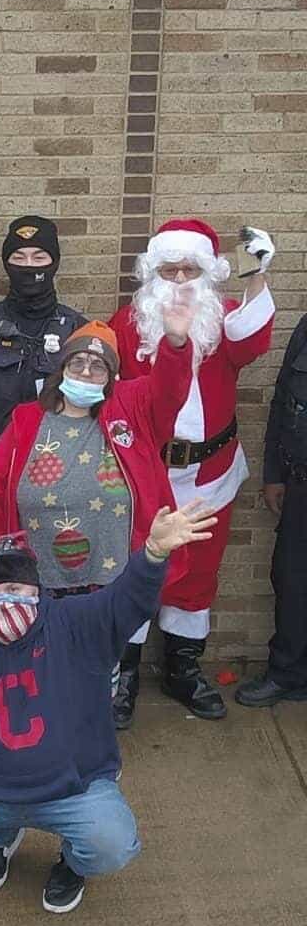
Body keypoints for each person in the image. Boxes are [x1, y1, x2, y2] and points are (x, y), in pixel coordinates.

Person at [0, 505, 217, 914]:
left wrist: (154, 552)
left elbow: (125, 601)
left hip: (75, 786)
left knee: (113, 845)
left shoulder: (77, 624)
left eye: (16, 591)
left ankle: (72, 862)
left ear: (37, 591)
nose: (5, 602)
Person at [0, 316, 194, 729]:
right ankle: (45, 736)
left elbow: (169, 388)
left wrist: (176, 343)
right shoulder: (26, 420)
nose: (87, 372)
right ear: (61, 368)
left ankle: (91, 737)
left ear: (111, 377)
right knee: (42, 667)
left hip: (108, 575)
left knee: (98, 672)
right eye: (78, 363)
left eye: (99, 366)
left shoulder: (131, 409)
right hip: (39, 575)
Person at [108, 220, 276, 719]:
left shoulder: (223, 319)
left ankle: (183, 670)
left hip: (211, 474)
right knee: (135, 569)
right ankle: (125, 674)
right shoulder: (126, 323)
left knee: (197, 574)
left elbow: (252, 338)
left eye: (190, 268)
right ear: (151, 273)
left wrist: (256, 276)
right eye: (169, 268)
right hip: (145, 474)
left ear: (207, 273)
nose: (180, 278)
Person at [0, 216, 86, 586]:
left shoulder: (76, 330)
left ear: (54, 262)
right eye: (18, 258)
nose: (28, 267)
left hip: (56, 469)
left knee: (53, 567)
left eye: (39, 257)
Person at [244, 250, 307, 705]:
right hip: (300, 485)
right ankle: (287, 673)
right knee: (291, 580)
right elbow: (283, 400)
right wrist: (273, 474)